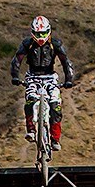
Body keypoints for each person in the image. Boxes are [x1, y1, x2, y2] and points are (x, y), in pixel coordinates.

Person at [10, 15, 75, 151]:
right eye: (38, 34)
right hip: (32, 77)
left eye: (43, 33)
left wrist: (69, 79)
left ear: (49, 31)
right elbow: (17, 60)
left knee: (56, 105)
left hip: (50, 77)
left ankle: (55, 139)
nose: (41, 37)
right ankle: (31, 130)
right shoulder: (27, 44)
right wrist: (15, 76)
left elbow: (65, 62)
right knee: (30, 100)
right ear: (32, 32)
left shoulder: (55, 44)